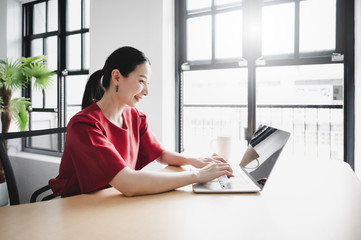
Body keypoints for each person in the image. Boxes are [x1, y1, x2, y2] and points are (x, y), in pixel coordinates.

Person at [49, 46, 233, 197]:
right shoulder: (84, 124)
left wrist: (196, 161)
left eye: (147, 84)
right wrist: (197, 175)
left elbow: (160, 154)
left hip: (114, 203)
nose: (146, 91)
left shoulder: (135, 116)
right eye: (141, 81)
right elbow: (128, 183)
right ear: (117, 77)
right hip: (79, 209)